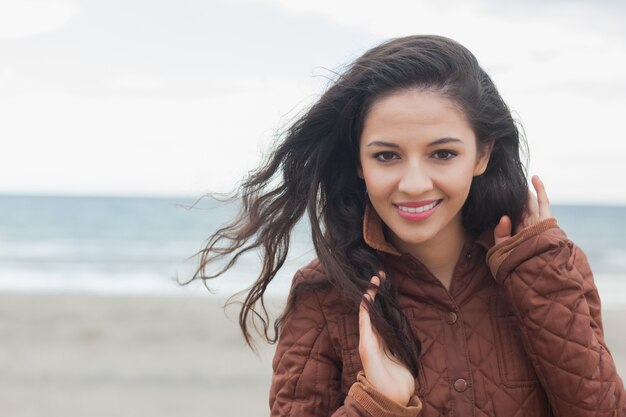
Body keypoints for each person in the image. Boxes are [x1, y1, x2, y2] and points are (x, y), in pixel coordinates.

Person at [191, 35, 625, 416]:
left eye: (442, 154)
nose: (414, 184)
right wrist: (376, 406)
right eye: (387, 156)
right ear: (358, 164)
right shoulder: (322, 295)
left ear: (482, 154)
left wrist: (538, 272)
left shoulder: (548, 267)